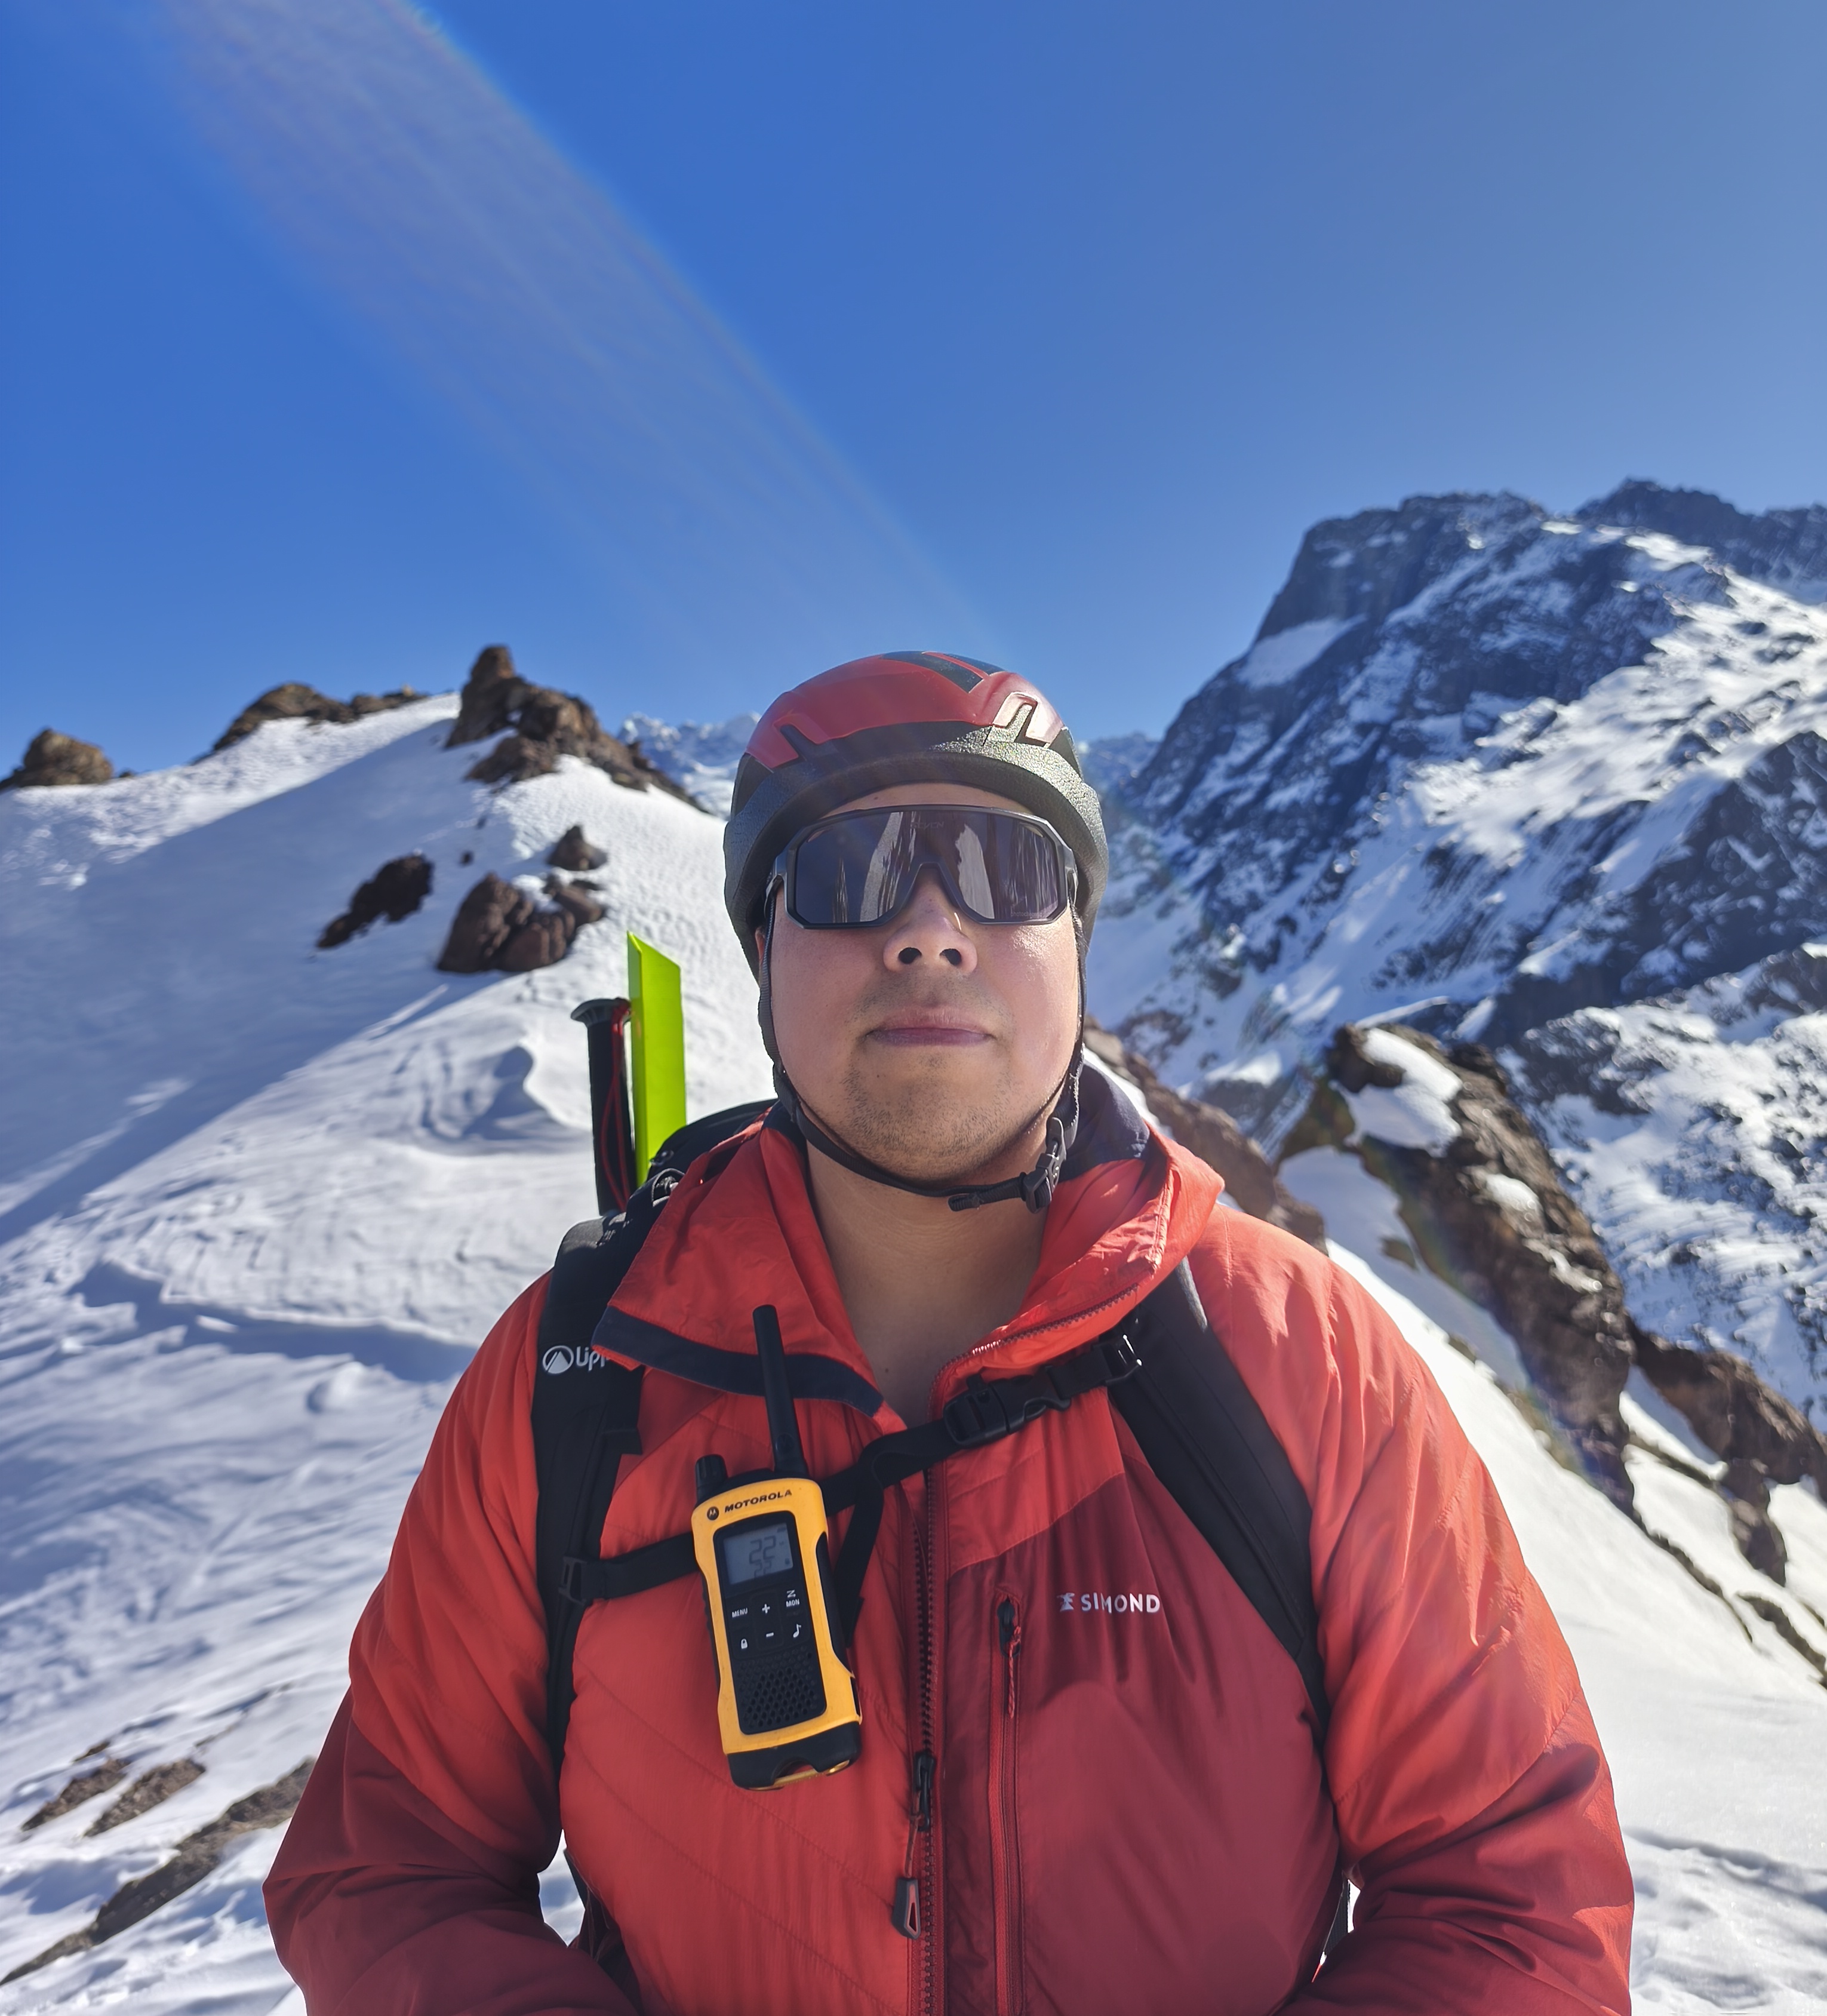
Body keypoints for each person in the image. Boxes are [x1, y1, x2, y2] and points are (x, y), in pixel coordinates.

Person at [266, 650, 1633, 2014]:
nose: (930, 931)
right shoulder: (576, 1372)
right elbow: (389, 1872)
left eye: (1006, 870)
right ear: (763, 954)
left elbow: (1515, 1903)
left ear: (1078, 949)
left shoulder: (1300, 1357)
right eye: (849, 873)